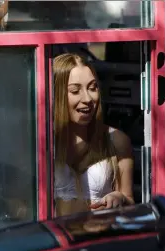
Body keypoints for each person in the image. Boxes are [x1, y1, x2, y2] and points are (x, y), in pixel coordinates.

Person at [53, 53, 134, 216]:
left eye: (93, 87)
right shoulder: (40, 141)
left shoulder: (117, 140)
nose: (88, 98)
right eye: (75, 91)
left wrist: (119, 198)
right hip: (56, 238)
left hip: (97, 237)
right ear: (57, 94)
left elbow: (130, 201)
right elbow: (18, 202)